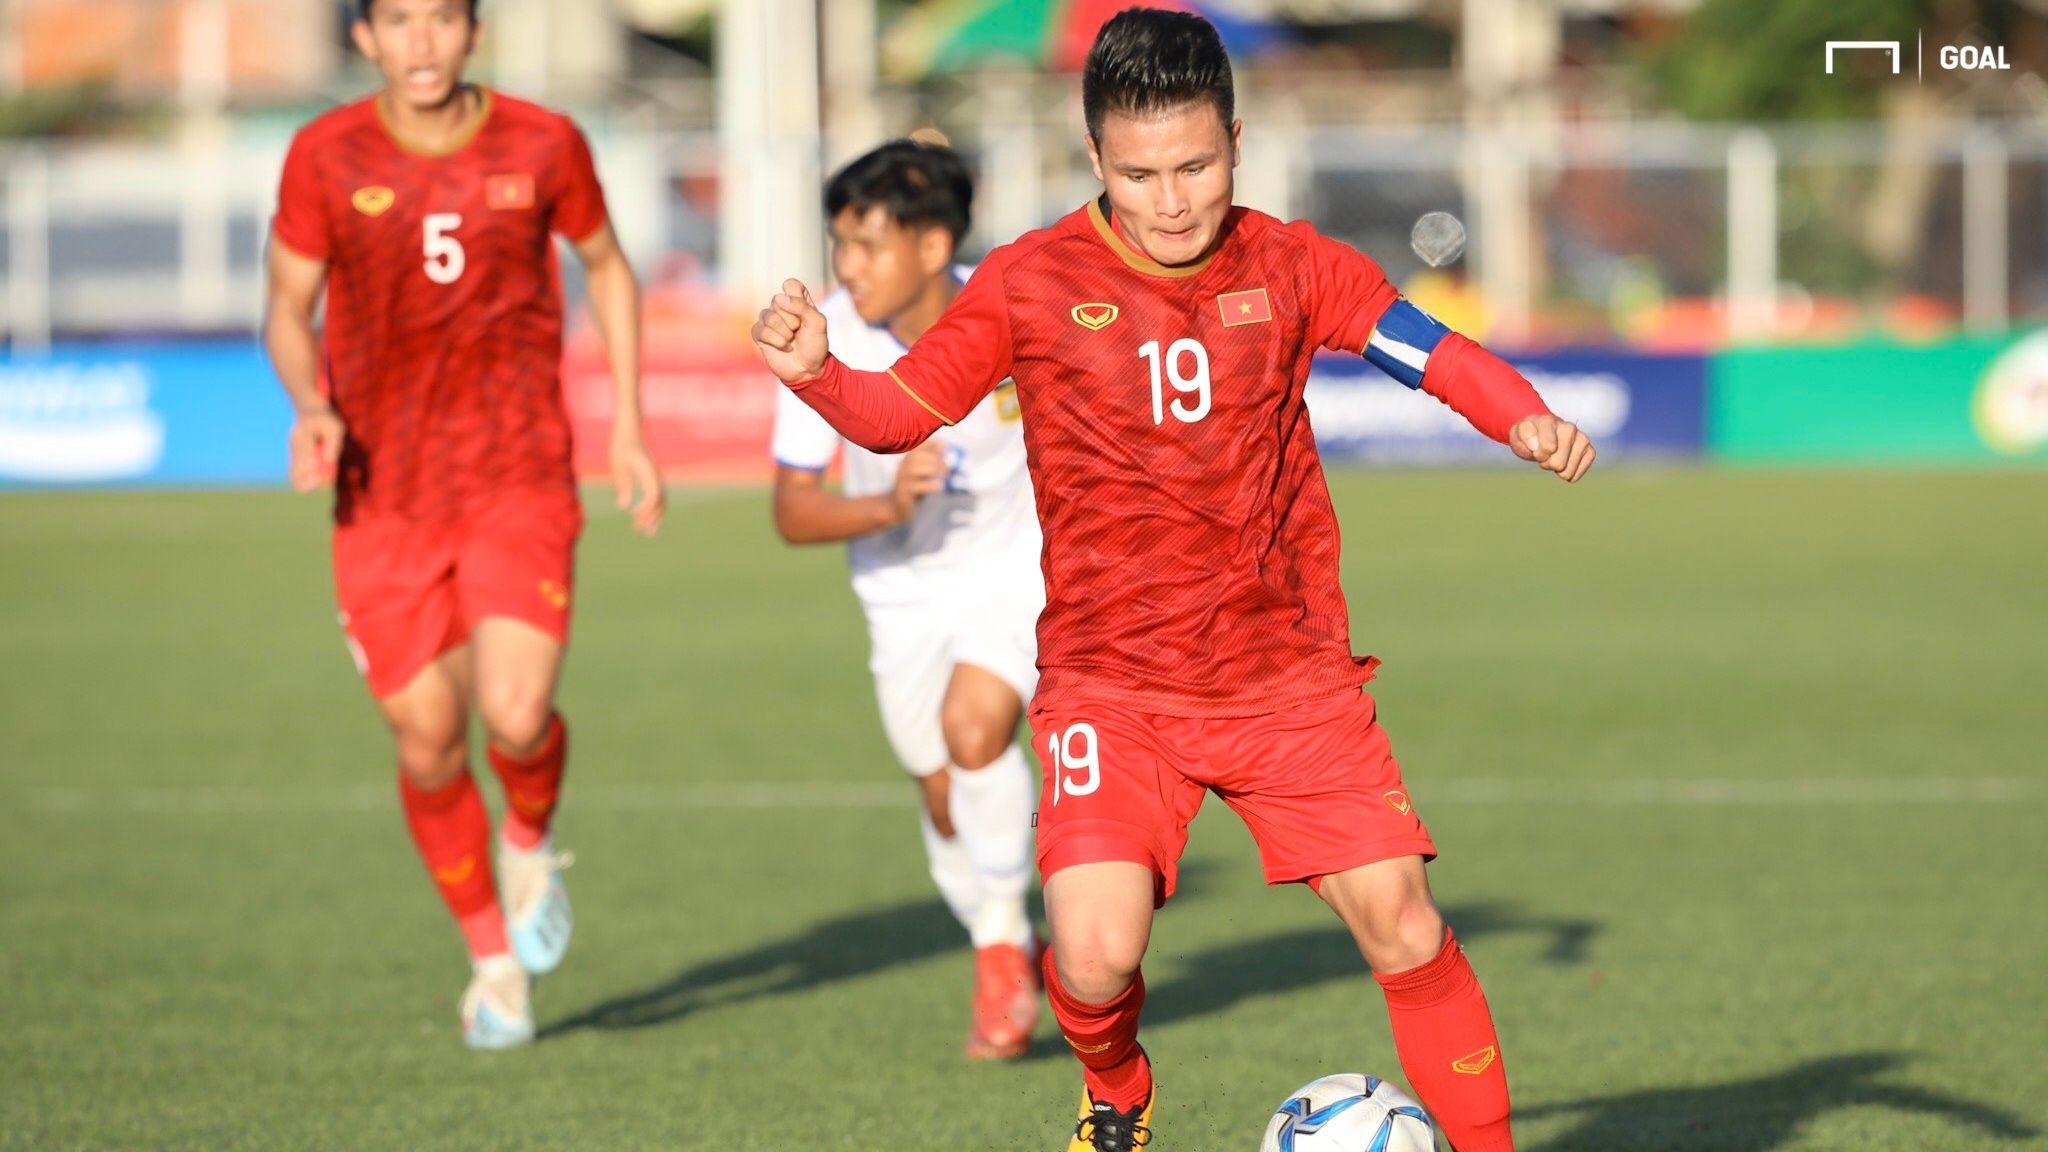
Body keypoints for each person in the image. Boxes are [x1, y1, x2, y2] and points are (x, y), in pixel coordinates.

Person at [752, 9, 1594, 1150]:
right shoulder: (1028, 279)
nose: (1171, 202)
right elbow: (903, 409)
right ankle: (1117, 1087)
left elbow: (1424, 349)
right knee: (1093, 956)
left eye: (1196, 166)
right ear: (1094, 158)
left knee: (1402, 921)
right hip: (1114, 686)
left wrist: (1522, 416)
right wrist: (817, 374)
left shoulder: (1293, 264)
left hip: (1287, 677)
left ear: (1235, 142)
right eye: (1139, 174)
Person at [263, 0, 664, 1050]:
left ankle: (527, 836)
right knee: (429, 737)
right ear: (365, 38)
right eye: (398, 21)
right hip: (383, 494)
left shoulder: (543, 142)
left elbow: (607, 265)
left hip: (515, 477)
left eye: (441, 17)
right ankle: (494, 963)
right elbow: (286, 306)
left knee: (517, 714)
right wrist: (310, 405)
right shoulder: (324, 154)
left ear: (472, 30)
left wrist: (628, 422)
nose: (422, 41)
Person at [768, 137, 1045, 1061]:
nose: (847, 267)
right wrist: (887, 504)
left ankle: (1001, 947)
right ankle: (1004, 932)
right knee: (941, 794)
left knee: (975, 733)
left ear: (932, 246)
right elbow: (792, 512)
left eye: (867, 245)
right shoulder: (824, 339)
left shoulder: (1011, 312)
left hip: (1017, 571)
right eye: (840, 244)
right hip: (899, 593)